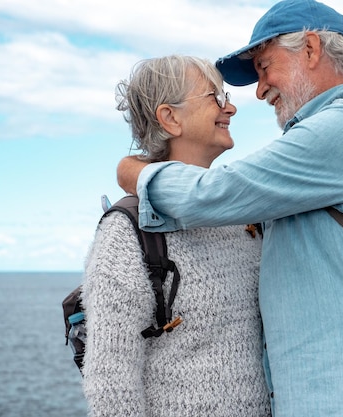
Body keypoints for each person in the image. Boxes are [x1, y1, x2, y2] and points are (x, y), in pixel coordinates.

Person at [117, 1, 343, 416]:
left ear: (310, 49)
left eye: (265, 67)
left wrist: (135, 174)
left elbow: (210, 194)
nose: (260, 89)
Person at [82, 55, 271, 417]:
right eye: (215, 97)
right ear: (170, 118)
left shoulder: (244, 216)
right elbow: (110, 384)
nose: (230, 108)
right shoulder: (126, 231)